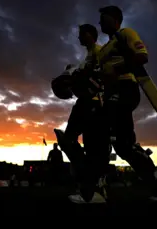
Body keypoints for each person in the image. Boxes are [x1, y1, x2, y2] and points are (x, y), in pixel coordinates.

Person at [96, 5, 157, 202]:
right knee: (123, 146)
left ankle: (95, 190)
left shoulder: (126, 34)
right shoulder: (104, 49)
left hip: (126, 89)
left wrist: (117, 68)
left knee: (102, 135)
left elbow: (142, 57)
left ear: (115, 19)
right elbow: (102, 74)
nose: (100, 23)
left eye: (103, 19)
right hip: (111, 93)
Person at [56, 24, 110, 204]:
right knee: (87, 147)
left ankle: (92, 191)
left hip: (93, 105)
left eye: (81, 35)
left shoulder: (99, 52)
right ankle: (92, 188)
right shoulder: (88, 55)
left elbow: (99, 78)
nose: (78, 38)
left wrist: (75, 74)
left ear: (90, 35)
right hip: (88, 104)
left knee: (85, 145)